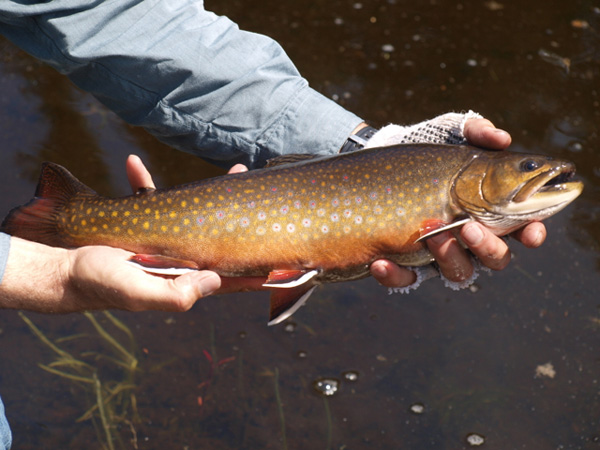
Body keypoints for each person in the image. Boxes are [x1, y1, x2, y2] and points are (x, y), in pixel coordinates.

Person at [0, 0, 546, 446]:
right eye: (527, 169)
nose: (545, 176)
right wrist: (52, 275)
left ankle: (73, 216)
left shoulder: (450, 176)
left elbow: (111, 14)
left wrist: (363, 150)